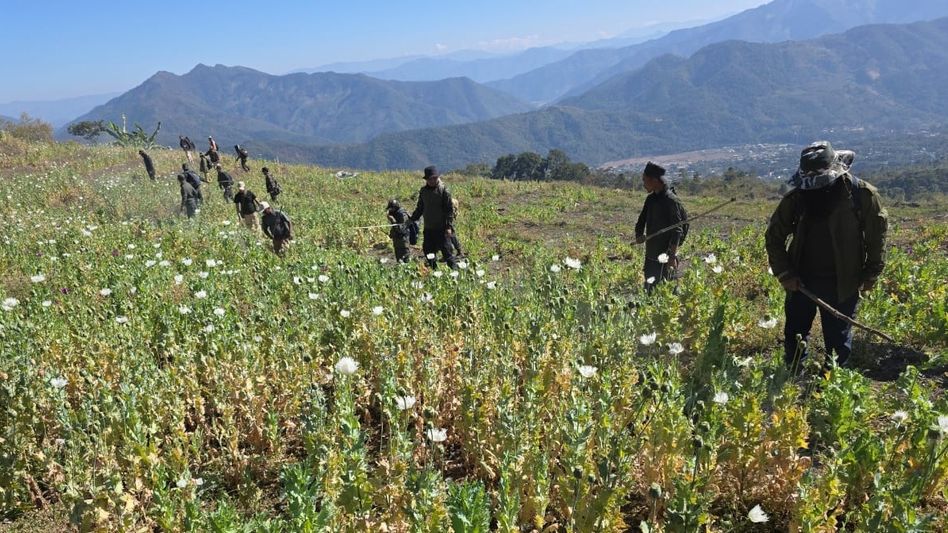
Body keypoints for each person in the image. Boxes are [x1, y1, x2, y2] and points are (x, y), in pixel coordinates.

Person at [766, 141, 887, 369]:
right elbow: (774, 237)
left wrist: (871, 274)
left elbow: (876, 238)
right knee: (795, 332)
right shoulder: (797, 198)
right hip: (800, 278)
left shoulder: (862, 195)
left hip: (844, 280)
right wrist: (785, 273)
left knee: (838, 338)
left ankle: (830, 385)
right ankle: (793, 373)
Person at [634, 162, 687, 291]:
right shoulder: (650, 200)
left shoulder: (671, 201)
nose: (643, 183)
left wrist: (672, 257)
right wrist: (639, 235)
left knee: (666, 292)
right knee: (649, 290)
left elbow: (677, 230)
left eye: (645, 180)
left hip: (666, 257)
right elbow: (641, 221)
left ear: (654, 180)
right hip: (651, 255)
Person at [410, 166, 457, 269]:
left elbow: (449, 210)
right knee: (428, 252)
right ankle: (435, 272)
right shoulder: (423, 191)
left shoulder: (443, 190)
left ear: (437, 178)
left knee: (447, 253)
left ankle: (456, 274)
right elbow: (420, 208)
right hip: (429, 229)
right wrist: (412, 219)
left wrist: (448, 227)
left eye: (434, 178)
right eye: (430, 178)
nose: (432, 180)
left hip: (442, 229)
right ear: (426, 179)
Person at [386, 199, 412, 263]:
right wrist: (392, 233)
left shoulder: (402, 214)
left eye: (391, 209)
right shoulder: (396, 213)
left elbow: (401, 229)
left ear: (395, 207)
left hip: (403, 242)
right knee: (399, 261)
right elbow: (394, 228)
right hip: (397, 241)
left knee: (405, 261)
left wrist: (392, 220)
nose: (390, 211)